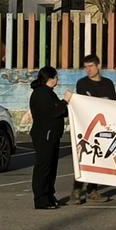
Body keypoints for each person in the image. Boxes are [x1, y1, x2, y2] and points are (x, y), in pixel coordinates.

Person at [71, 54, 115, 205]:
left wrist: (101, 101)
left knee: (98, 159)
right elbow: (84, 101)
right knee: (83, 157)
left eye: (91, 66)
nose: (88, 70)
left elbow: (113, 103)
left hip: (103, 128)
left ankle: (92, 190)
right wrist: (102, 101)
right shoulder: (82, 83)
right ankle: (77, 190)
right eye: (86, 67)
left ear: (98, 66)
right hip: (86, 125)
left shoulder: (108, 83)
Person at [29, 66, 71, 210]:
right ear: (49, 78)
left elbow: (61, 111)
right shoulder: (41, 94)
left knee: (51, 167)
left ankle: (49, 196)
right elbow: (54, 112)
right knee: (44, 168)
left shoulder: (49, 93)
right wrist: (65, 101)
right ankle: (41, 199)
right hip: (44, 136)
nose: (57, 79)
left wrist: (65, 105)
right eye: (55, 77)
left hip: (52, 135)